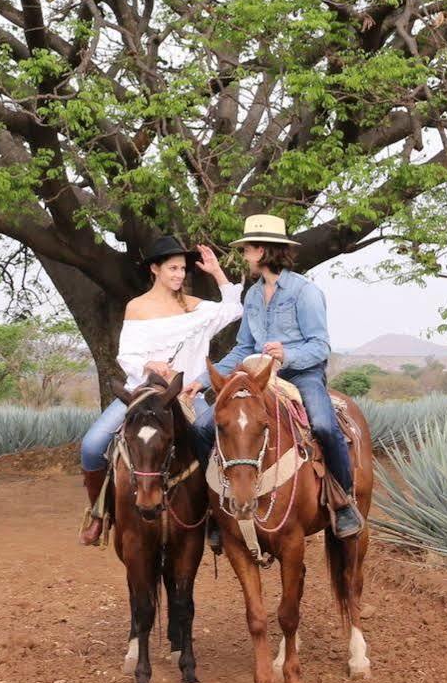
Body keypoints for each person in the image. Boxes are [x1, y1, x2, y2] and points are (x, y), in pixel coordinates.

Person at [77, 236, 244, 545]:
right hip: (142, 395)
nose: (179, 275)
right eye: (172, 268)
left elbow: (234, 309)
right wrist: (149, 365)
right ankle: (101, 512)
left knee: (218, 446)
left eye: (182, 269)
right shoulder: (137, 308)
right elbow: (126, 355)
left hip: (186, 396)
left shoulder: (197, 308)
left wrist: (217, 272)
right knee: (91, 445)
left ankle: (214, 517)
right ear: (155, 269)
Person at [210, 214, 364, 538]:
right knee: (209, 426)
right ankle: (214, 508)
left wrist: (288, 354)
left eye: (248, 249)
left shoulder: (305, 292)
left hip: (302, 375)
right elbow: (242, 348)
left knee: (323, 424)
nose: (244, 256)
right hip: (260, 378)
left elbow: (320, 346)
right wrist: (203, 378)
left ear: (264, 251)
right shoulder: (252, 295)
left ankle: (343, 500)